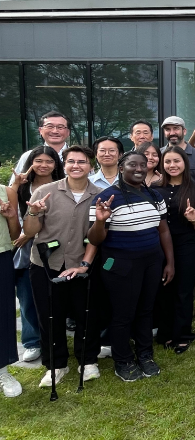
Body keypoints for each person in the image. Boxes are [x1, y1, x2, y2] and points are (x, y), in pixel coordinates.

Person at [88, 150, 174, 382]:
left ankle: (145, 354)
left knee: (146, 310)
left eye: (142, 165)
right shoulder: (106, 198)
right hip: (121, 266)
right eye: (132, 165)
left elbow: (163, 230)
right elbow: (95, 240)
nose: (138, 169)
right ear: (121, 168)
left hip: (151, 262)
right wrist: (100, 220)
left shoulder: (154, 195)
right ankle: (123, 360)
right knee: (123, 314)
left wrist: (170, 262)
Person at [24, 146, 100, 387]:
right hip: (46, 265)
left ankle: (87, 360)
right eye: (71, 161)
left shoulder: (99, 195)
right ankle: (56, 364)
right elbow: (30, 232)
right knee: (50, 316)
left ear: (91, 166)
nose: (76, 166)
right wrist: (35, 214)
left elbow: (98, 236)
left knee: (86, 314)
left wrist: (85, 264)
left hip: (82, 264)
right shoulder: (44, 192)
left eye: (82, 162)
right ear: (63, 165)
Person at [10, 146, 64, 364]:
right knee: (26, 296)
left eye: (49, 161)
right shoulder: (23, 188)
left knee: (54, 297)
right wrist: (15, 185)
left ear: (56, 164)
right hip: (24, 247)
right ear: (30, 162)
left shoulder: (63, 186)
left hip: (55, 246)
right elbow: (12, 214)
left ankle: (54, 339)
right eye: (38, 161)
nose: (43, 165)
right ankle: (32, 341)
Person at [152, 147, 195, 354]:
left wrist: (193, 218)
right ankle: (165, 332)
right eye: (168, 162)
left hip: (186, 244)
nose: (172, 165)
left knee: (183, 289)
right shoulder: (155, 190)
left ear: (184, 163)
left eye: (177, 161)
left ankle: (183, 334)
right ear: (162, 165)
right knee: (164, 287)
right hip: (159, 245)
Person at [0, 173, 23, 398]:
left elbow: (15, 235)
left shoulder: (6, 192)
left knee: (3, 314)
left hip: (1, 256)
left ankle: (3, 370)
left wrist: (10, 216)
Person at [161, 116, 195, 186]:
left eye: (176, 128)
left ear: (184, 131)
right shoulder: (159, 154)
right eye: (167, 129)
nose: (172, 133)